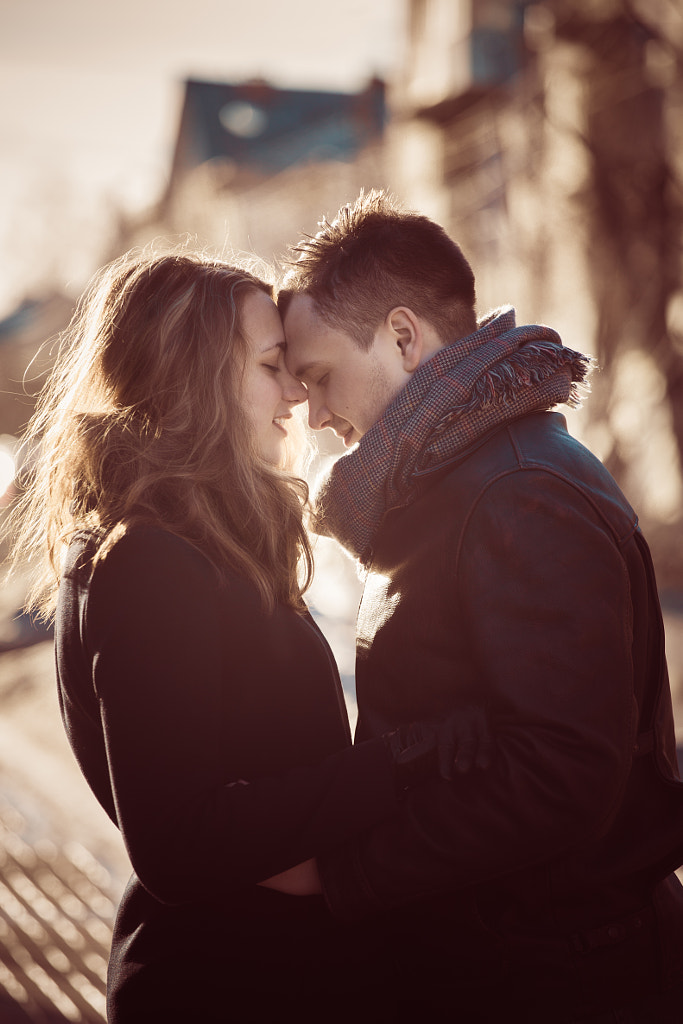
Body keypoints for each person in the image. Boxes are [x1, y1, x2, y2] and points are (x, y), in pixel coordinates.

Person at [5, 248, 491, 1023]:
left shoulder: (194, 543)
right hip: (229, 985)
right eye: (272, 365)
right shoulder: (149, 562)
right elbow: (179, 842)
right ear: (191, 379)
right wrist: (399, 764)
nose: (298, 391)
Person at [279, 189, 683, 1022]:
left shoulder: (515, 490)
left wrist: (348, 874)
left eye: (319, 377)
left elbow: (562, 772)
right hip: (515, 955)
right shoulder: (458, 481)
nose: (313, 414)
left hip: (556, 973)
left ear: (400, 336)